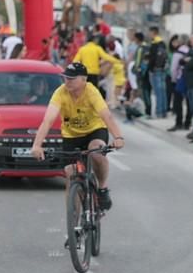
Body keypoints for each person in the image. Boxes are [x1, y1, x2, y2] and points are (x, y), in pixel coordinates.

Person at [30, 62, 125, 212]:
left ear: (84, 80)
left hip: (94, 131)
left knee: (97, 152)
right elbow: (47, 120)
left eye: (72, 78)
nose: (67, 81)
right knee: (70, 172)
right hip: (71, 135)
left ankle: (102, 188)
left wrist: (118, 137)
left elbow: (107, 116)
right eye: (65, 78)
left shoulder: (92, 92)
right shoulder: (60, 93)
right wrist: (37, 145)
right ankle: (75, 223)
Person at [72, 34, 120, 99]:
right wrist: (118, 61)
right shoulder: (97, 48)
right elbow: (106, 57)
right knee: (93, 91)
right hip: (94, 73)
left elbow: (75, 61)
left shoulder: (82, 49)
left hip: (84, 73)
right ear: (94, 41)